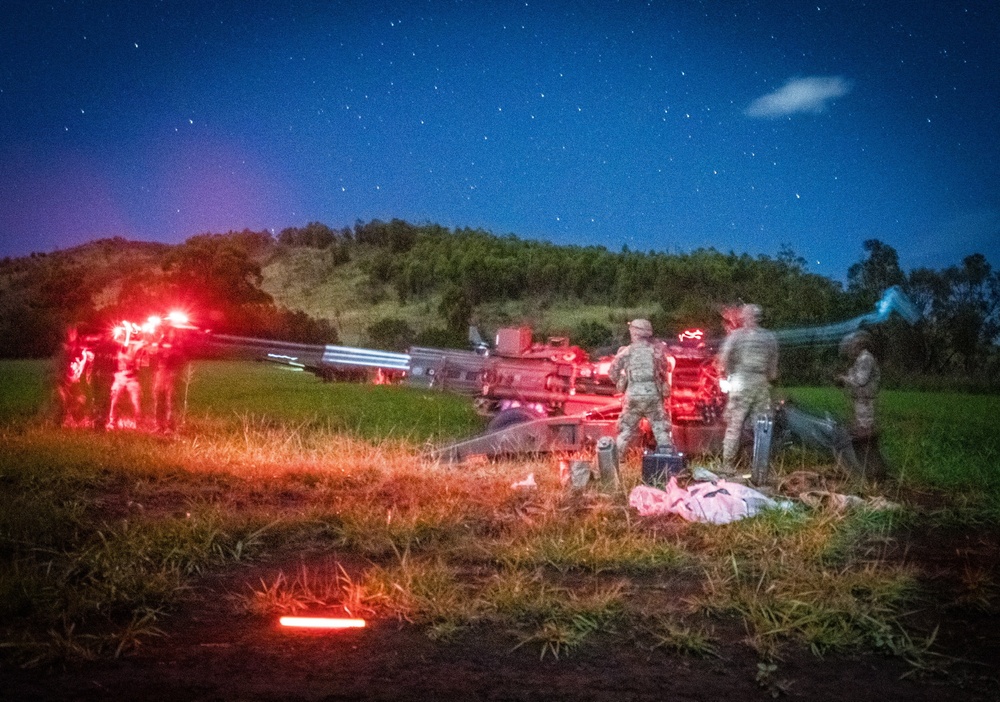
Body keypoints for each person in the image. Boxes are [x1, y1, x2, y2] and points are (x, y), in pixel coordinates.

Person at [718, 304, 779, 475]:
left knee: (734, 425)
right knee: (762, 426)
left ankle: (727, 465)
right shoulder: (769, 337)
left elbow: (725, 357)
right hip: (761, 383)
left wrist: (729, 374)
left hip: (741, 382)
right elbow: (773, 367)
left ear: (744, 317)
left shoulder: (736, 336)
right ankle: (760, 466)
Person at [608, 318, 674, 458]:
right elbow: (664, 370)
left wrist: (622, 382)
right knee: (661, 429)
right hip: (653, 396)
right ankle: (667, 462)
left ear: (635, 333)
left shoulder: (626, 352)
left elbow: (612, 371)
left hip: (633, 395)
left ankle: (615, 464)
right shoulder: (656, 352)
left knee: (625, 432)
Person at [835, 330, 886, 479]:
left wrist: (843, 379)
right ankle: (869, 468)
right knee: (861, 431)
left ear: (858, 345)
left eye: (851, 347)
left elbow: (860, 381)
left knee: (865, 432)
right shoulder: (861, 359)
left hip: (865, 401)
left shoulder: (865, 359)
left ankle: (872, 470)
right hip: (861, 400)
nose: (849, 350)